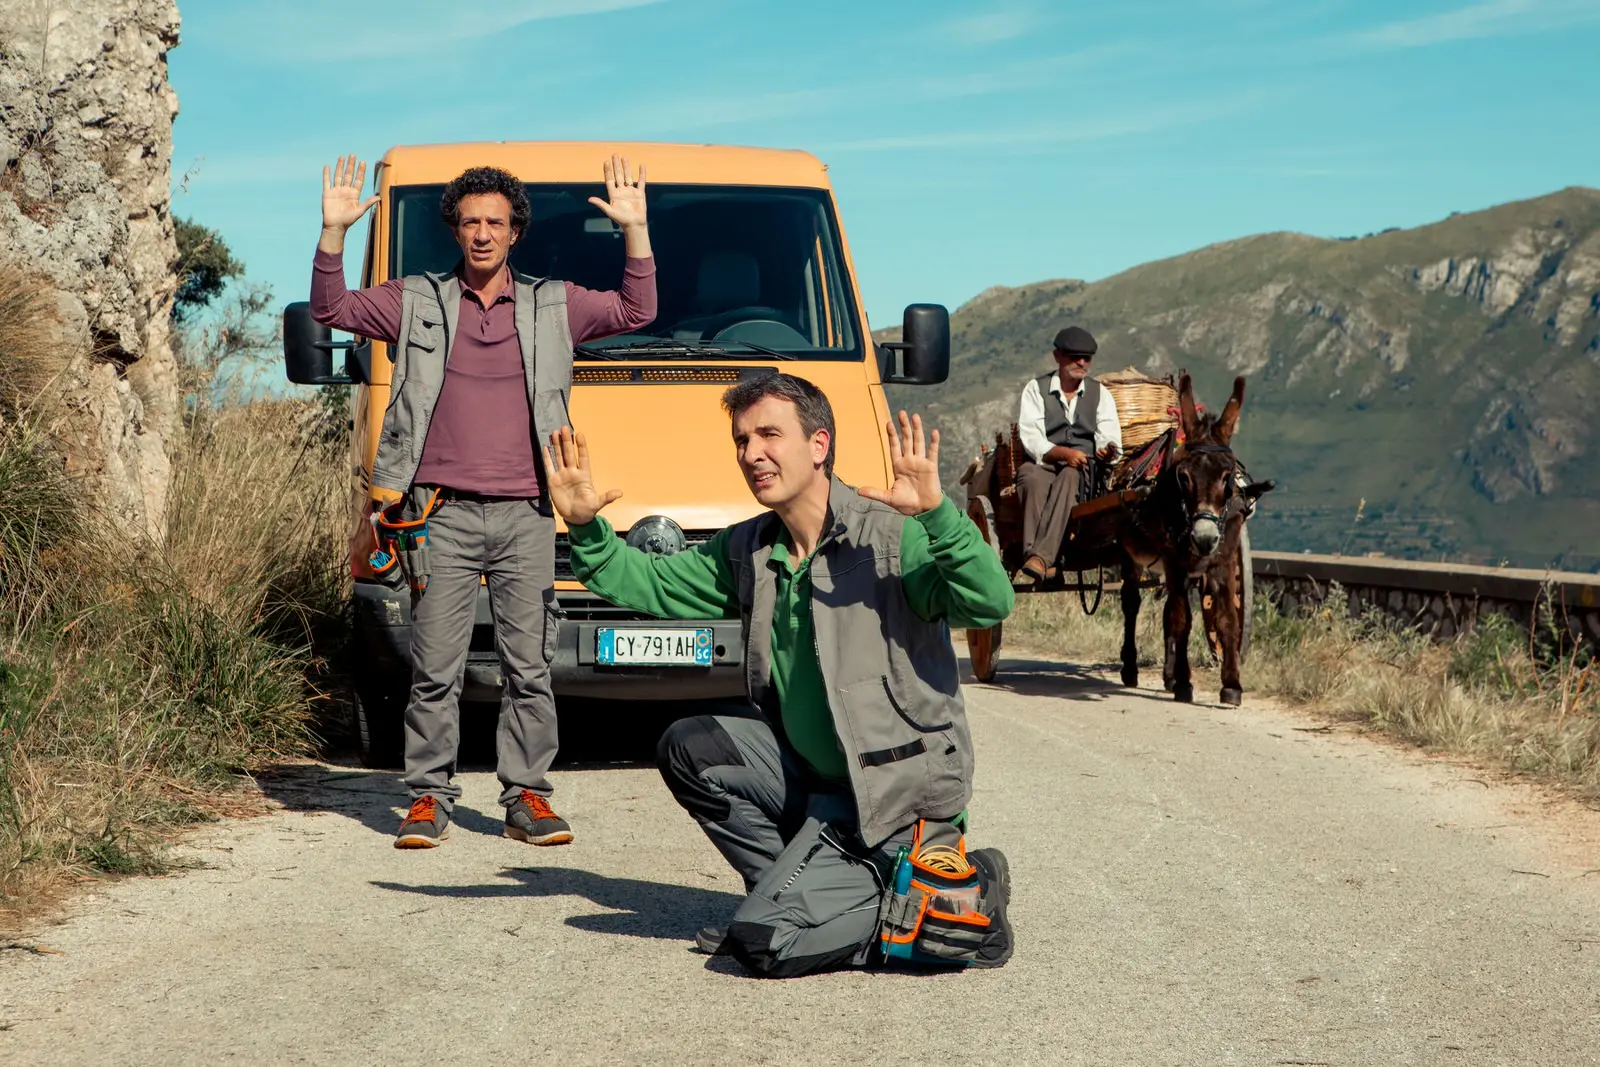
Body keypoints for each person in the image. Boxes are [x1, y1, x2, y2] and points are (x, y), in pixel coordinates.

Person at [542, 373, 1016, 977]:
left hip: (896, 806)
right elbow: (654, 582)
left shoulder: (892, 536)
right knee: (692, 746)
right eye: (742, 440)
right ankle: (785, 898)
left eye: (769, 435)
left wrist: (939, 516)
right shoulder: (751, 550)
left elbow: (990, 602)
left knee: (763, 946)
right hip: (815, 789)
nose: (751, 454)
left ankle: (961, 900)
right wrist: (586, 530)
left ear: (819, 445)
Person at [310, 153, 657, 849]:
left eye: (495, 222)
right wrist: (334, 233)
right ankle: (427, 798)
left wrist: (636, 230)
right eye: (470, 222)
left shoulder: (554, 303)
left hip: (529, 513)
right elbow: (332, 309)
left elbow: (637, 309)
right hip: (440, 514)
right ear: (455, 230)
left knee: (529, 667)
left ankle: (526, 797)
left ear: (515, 231)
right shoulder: (415, 299)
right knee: (435, 667)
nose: (482, 234)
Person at [1015, 325, 1122, 582]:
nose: (1082, 363)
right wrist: (1062, 453)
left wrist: (1107, 451)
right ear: (1058, 356)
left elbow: (1109, 436)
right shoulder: (1035, 389)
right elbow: (1031, 437)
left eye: (1087, 358)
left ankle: (1040, 558)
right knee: (1029, 476)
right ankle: (1040, 559)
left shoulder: (1100, 394)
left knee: (1069, 476)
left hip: (1083, 470)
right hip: (1045, 462)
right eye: (1075, 357)